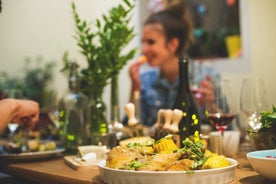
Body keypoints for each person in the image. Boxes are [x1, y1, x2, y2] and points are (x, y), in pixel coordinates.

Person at [127, 0, 217, 127]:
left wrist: (210, 106)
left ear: (173, 44)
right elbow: (130, 129)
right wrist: (134, 88)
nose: (144, 49)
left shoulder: (205, 77)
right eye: (143, 42)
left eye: (151, 42)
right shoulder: (145, 81)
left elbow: (229, 131)